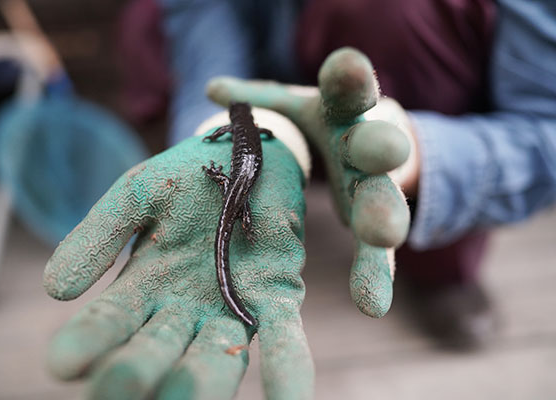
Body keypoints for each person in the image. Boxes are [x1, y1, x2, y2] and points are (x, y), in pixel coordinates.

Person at [44, 1, 556, 399]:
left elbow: (543, 130)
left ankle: (438, 266)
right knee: (145, 22)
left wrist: (409, 151)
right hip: (261, 95)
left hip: (395, 66)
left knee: (395, 11)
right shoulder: (236, 133)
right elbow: (209, 45)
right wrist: (215, 125)